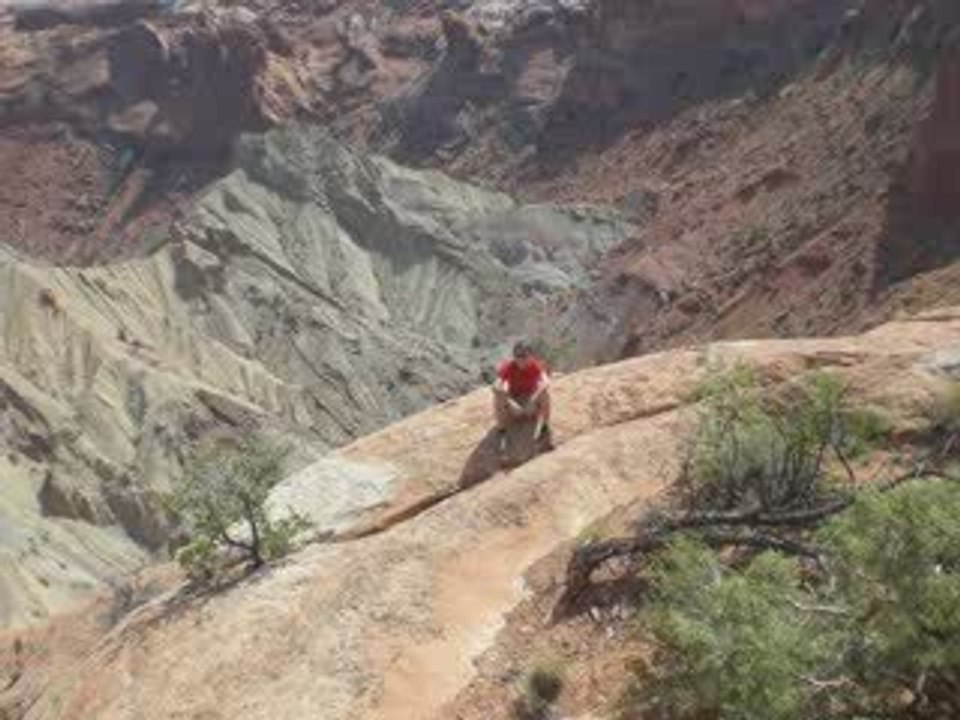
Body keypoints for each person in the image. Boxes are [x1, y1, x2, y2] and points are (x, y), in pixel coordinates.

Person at [493, 340, 553, 452]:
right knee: (498, 397)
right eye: (517, 356)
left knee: (545, 394)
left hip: (530, 405)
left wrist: (533, 399)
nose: (520, 359)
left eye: (524, 356)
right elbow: (495, 386)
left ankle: (545, 428)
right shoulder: (509, 366)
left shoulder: (536, 365)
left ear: (531, 356)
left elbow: (546, 382)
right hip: (515, 405)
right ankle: (502, 433)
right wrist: (510, 402)